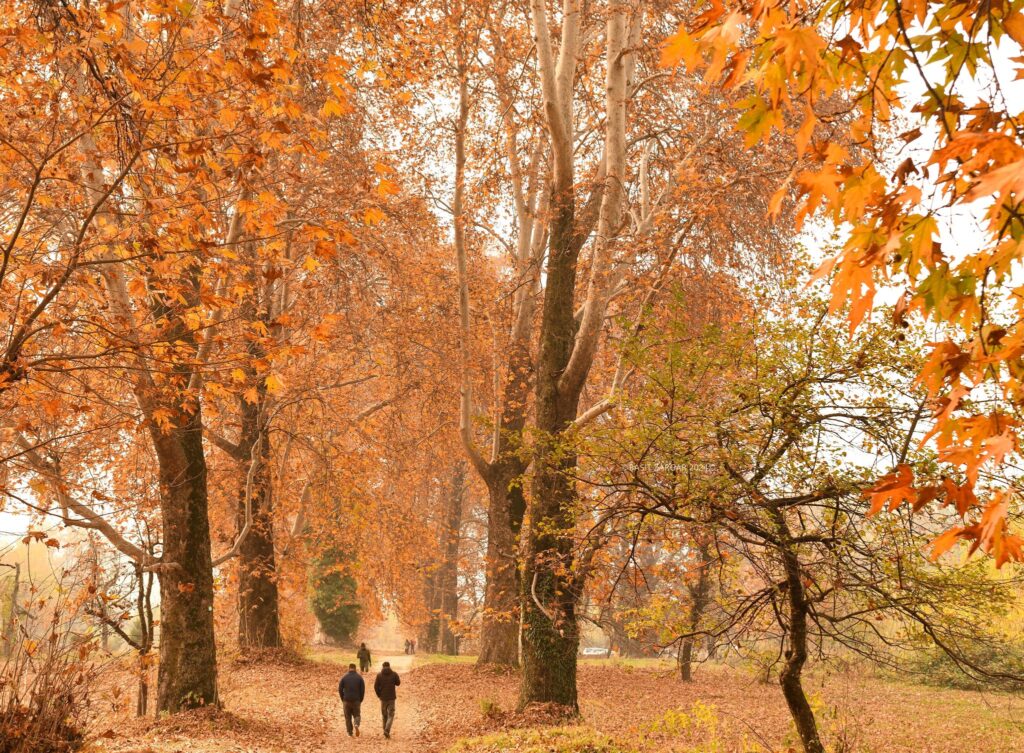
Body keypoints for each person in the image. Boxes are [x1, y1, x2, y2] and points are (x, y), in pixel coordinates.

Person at [373, 660, 401, 739]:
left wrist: (379, 695)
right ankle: (387, 730)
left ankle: (385, 730)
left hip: (383, 698)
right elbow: (398, 683)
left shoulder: (379, 675)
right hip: (391, 698)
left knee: (384, 715)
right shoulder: (394, 674)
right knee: (391, 715)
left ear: (382, 666)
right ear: (389, 666)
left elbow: (375, 687)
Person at [338, 663, 365, 738]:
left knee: (348, 717)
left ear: (349, 668)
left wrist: (342, 698)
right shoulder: (359, 678)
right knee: (357, 715)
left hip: (346, 700)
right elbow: (362, 690)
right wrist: (360, 699)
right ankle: (356, 724)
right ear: (355, 669)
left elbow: (340, 689)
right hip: (356, 700)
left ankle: (350, 732)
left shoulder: (344, 677)